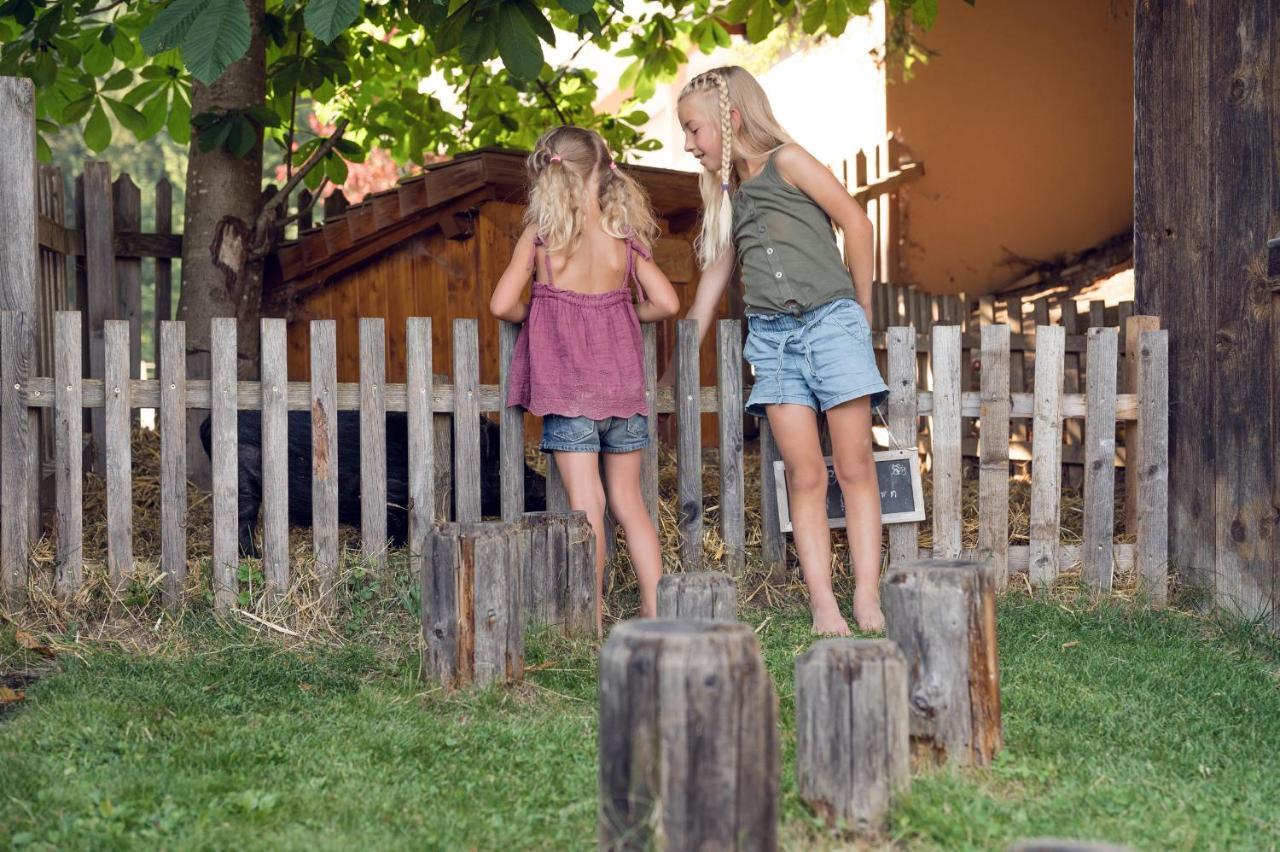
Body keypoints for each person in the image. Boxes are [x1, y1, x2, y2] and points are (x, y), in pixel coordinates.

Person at [675, 66, 889, 634]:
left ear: (732, 119)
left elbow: (857, 223)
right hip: (772, 342)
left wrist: (861, 310)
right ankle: (824, 604)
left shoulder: (789, 162)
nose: (688, 143)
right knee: (804, 474)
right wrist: (679, 354)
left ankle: (866, 597)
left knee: (855, 465)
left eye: (694, 130)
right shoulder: (727, 202)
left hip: (832, 324)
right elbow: (709, 289)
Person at [491, 126, 680, 636]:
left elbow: (502, 305)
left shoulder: (543, 238)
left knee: (588, 505)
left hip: (571, 395)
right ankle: (656, 614)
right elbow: (667, 303)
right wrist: (620, 309)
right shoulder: (625, 236)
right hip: (624, 393)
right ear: (603, 171)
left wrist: (542, 307)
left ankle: (592, 618)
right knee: (629, 503)